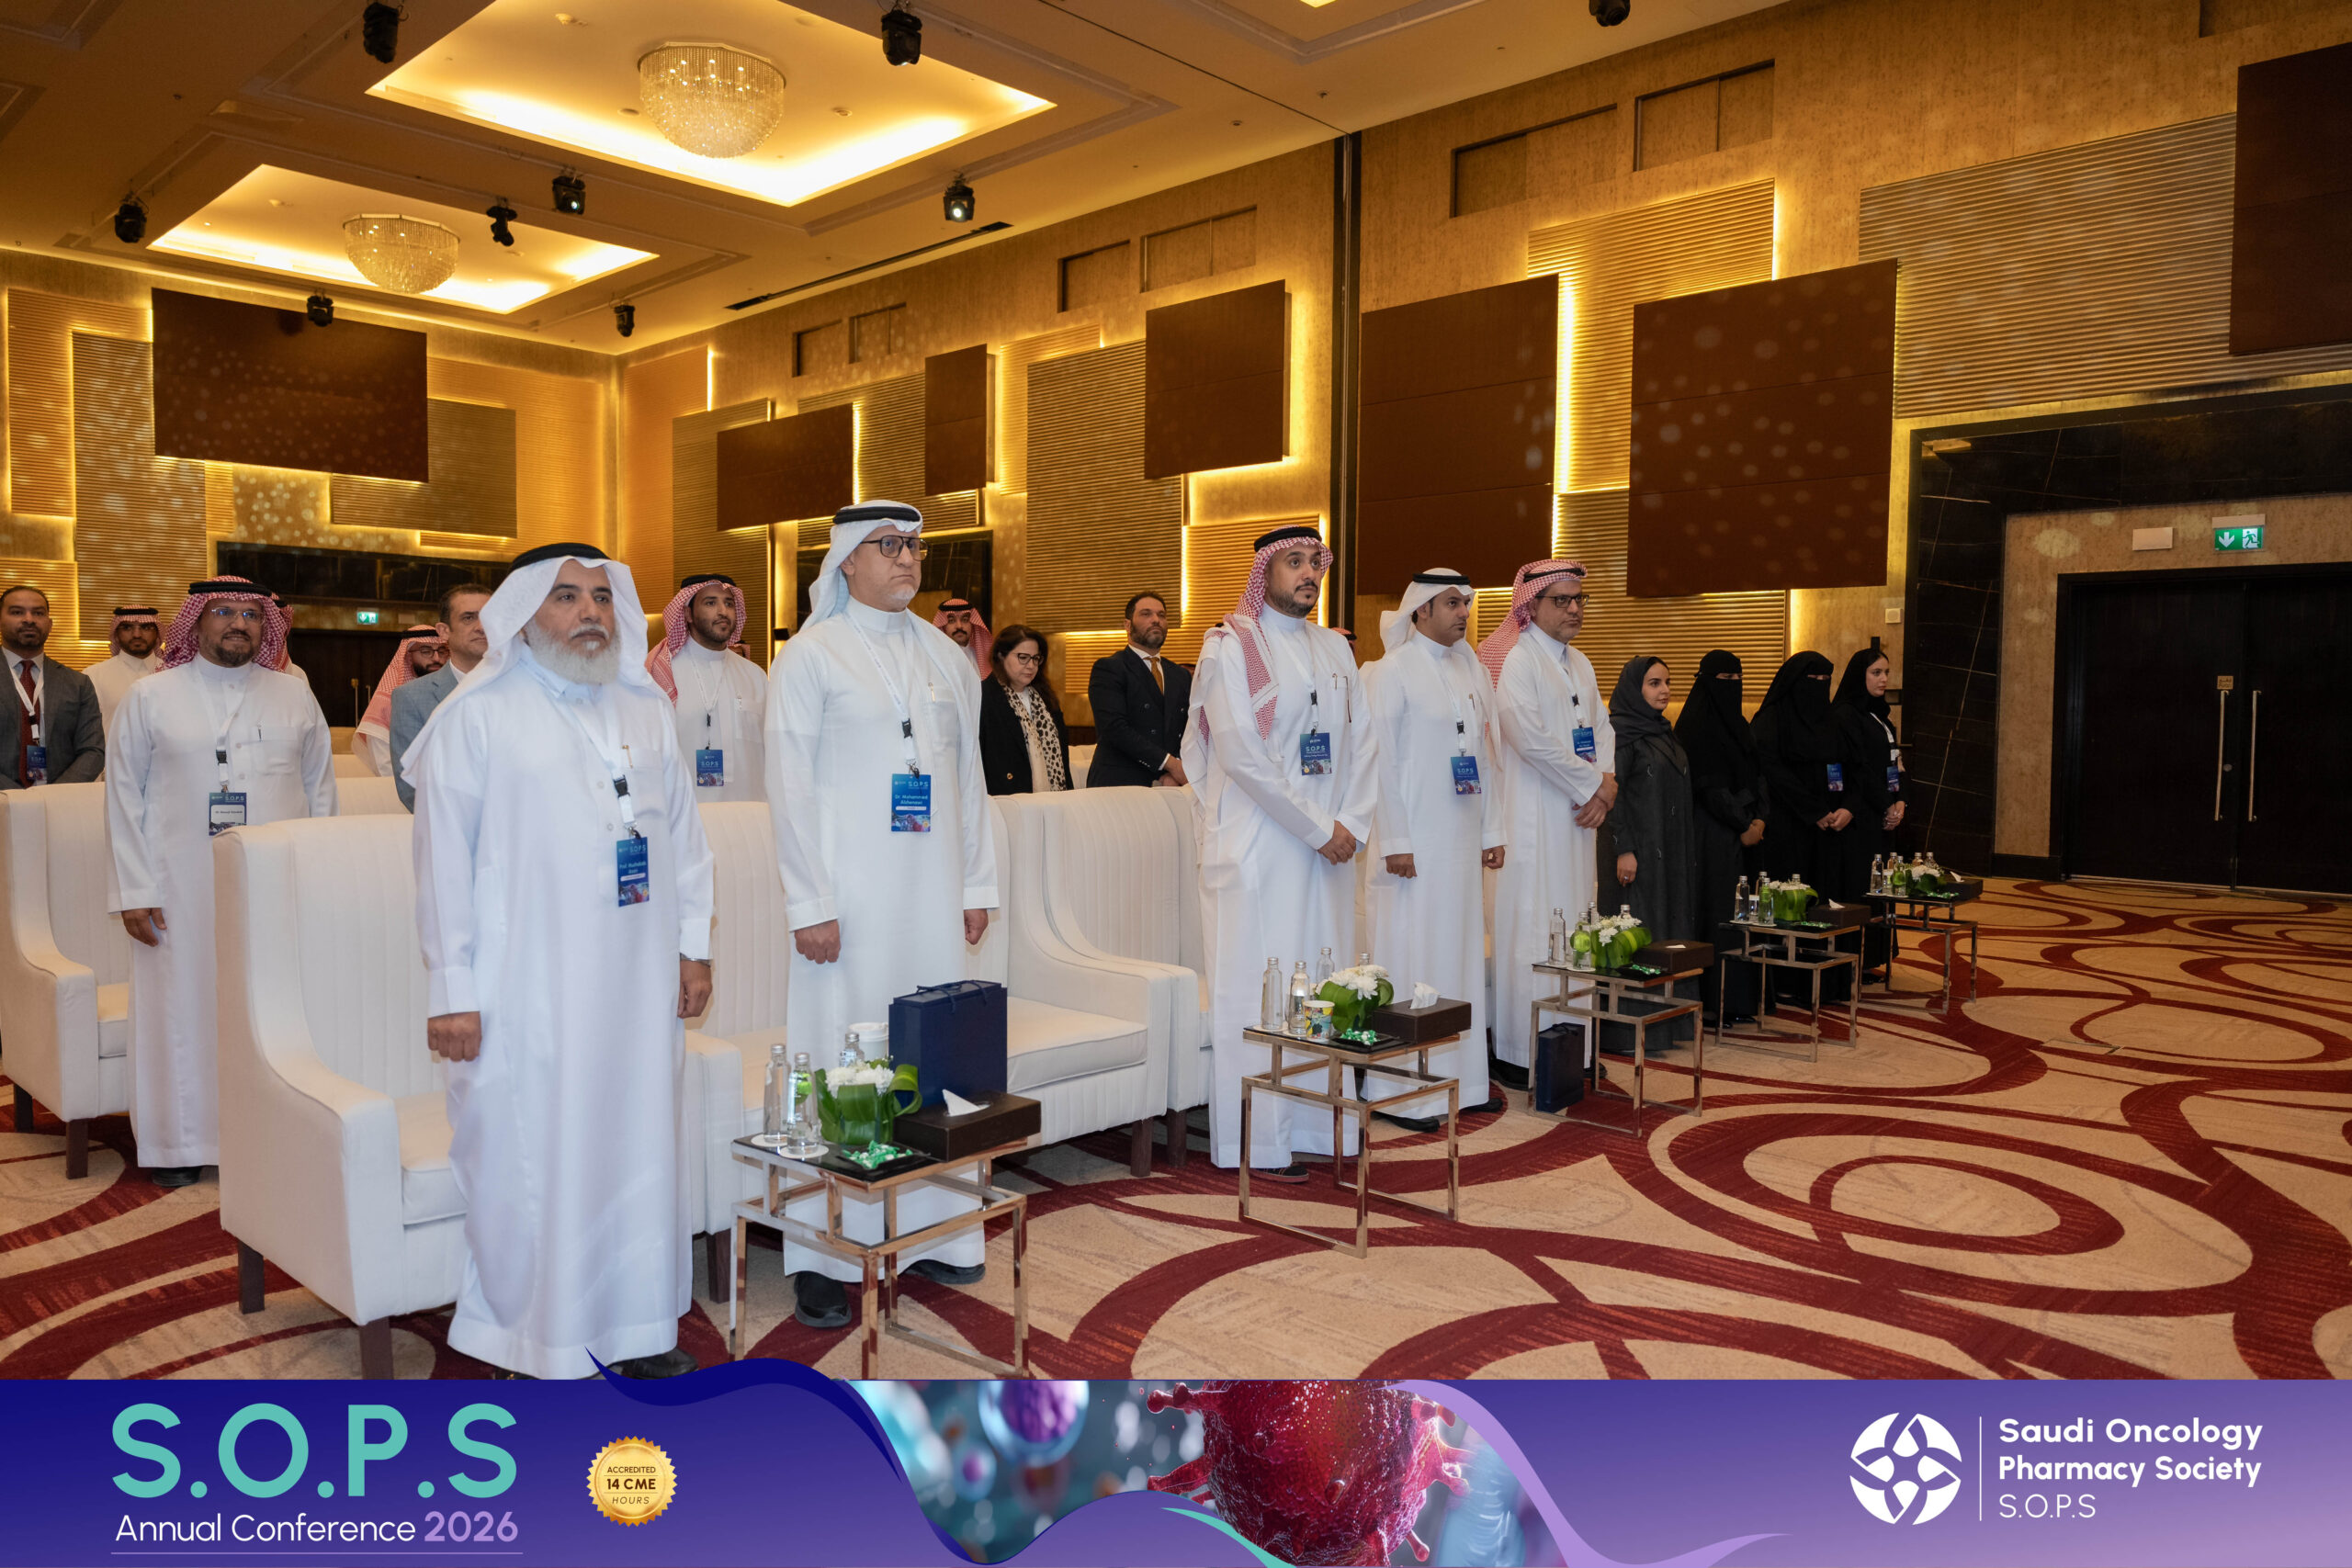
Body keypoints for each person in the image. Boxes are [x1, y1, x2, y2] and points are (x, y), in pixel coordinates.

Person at [404, 543, 713, 1381]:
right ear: (524, 612)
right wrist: (452, 990)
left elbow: (685, 840)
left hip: (639, 981)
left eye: (602, 598)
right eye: (566, 596)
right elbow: (441, 865)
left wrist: (694, 947)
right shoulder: (477, 717)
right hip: (526, 987)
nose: (590, 614)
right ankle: (530, 1338)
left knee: (640, 1150)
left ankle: (639, 1327)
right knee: (532, 1156)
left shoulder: (645, 709)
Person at [765, 501, 997, 1328]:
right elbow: (788, 787)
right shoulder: (810, 656)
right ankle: (825, 1253)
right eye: (888, 545)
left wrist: (977, 883)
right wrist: (810, 901)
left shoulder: (944, 656)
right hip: (848, 906)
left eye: (914, 546)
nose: (907, 559)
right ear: (846, 562)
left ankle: (936, 1227)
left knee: (934, 1055)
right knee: (843, 1056)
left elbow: (969, 780)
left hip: (932, 893)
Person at [105, 578, 334, 1187]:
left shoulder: (294, 694)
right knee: (179, 1007)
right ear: (196, 623)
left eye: (252, 615)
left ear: (267, 627)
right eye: (224, 612)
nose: (239, 624)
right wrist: (133, 890)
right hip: (176, 887)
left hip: (276, 885)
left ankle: (273, 1133)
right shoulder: (150, 696)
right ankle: (180, 1142)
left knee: (272, 1009)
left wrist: (319, 878)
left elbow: (320, 792)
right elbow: (123, 797)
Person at [1181, 525, 1375, 1179]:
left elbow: (1364, 742)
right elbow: (1241, 755)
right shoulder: (1230, 644)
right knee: (1261, 991)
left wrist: (1350, 823)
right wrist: (1322, 828)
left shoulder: (1335, 648)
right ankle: (1260, 1141)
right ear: (1265, 571)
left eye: (1316, 562)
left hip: (1328, 853)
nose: (1309, 574)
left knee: (1320, 986)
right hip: (1259, 848)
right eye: (1294, 562)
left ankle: (1317, 1126)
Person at [1363, 570, 1507, 1126]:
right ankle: (1403, 1092)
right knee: (1414, 958)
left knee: (1460, 958)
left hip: (1460, 845)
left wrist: (1491, 832)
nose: (1463, 613)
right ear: (1420, 610)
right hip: (1413, 849)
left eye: (1467, 603)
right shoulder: (1391, 671)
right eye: (1451, 603)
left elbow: (1485, 759)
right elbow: (1381, 761)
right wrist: (1396, 840)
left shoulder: (1470, 669)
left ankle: (1463, 1084)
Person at [1482, 559, 1614, 1089]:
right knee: (1534, 929)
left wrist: (1606, 785)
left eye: (1579, 599)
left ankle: (1574, 1049)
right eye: (1562, 600)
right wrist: (1594, 786)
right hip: (1533, 821)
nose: (1574, 609)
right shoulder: (1517, 660)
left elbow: (1602, 729)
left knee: (1578, 926)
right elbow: (1529, 739)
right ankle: (1520, 1051)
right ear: (1531, 605)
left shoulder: (1581, 663)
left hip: (1579, 821)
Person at [1750, 650, 1857, 1002]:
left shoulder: (1831, 720)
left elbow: (1849, 766)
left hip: (1829, 830)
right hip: (1788, 828)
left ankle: (1827, 979)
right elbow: (1771, 770)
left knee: (1824, 901)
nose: (1820, 687)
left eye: (1826, 681)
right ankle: (1786, 979)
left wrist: (1845, 807)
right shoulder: (1772, 719)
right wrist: (1813, 810)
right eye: (1813, 680)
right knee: (1791, 900)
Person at [1675, 650, 1770, 1023]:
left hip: (1747, 831)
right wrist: (1742, 824)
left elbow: (1759, 775)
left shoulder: (1741, 725)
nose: (1733, 686)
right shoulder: (1695, 726)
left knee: (1747, 913)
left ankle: (1743, 1000)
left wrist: (1759, 819)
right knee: (1719, 914)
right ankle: (1716, 1001)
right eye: (1725, 680)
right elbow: (1708, 787)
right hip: (1713, 835)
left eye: (1738, 679)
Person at [1600, 657, 1700, 940]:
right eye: (1654, 683)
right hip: (1637, 852)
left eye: (1667, 682)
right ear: (1634, 689)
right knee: (1639, 926)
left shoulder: (1663, 730)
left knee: (1669, 924)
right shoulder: (1619, 734)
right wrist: (1624, 850)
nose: (1665, 690)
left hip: (1667, 847)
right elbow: (1613, 795)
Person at [647, 572, 767, 804]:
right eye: (710, 603)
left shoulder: (754, 676)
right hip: (689, 815)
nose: (723, 611)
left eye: (729, 603)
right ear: (687, 613)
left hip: (750, 814)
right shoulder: (663, 674)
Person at [1833, 645, 1904, 975]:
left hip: (1883, 814)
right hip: (1861, 816)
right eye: (1876, 673)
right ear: (1859, 676)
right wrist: (1885, 803)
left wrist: (1900, 800)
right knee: (1861, 887)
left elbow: (1893, 764)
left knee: (1880, 886)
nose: (1884, 679)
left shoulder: (1880, 715)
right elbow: (1858, 768)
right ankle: (1854, 961)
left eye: (1886, 672)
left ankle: (1872, 959)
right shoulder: (1846, 714)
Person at [391, 582, 493, 811]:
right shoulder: (411, 698)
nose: (481, 627)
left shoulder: (523, 690)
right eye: (469, 618)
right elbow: (412, 788)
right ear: (444, 631)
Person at [2, 585, 105, 788]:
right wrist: (14, 797)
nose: (29, 619)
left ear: (49, 624)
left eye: (38, 613)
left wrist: (52, 796)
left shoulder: (78, 683)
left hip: (60, 801)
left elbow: (93, 750)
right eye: (17, 612)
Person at [1086, 592, 1191, 788]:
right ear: (1127, 625)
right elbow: (1114, 729)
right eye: (1146, 614)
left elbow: (1188, 728)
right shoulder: (1110, 668)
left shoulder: (1180, 674)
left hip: (1170, 785)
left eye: (1161, 615)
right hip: (1119, 783)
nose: (1156, 620)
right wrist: (1171, 765)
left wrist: (1175, 772)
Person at [978, 624, 1071, 795]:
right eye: (1023, 657)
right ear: (1001, 655)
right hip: (1004, 799)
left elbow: (1063, 761)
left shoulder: (1046, 699)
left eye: (1036, 659)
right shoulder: (983, 696)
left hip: (1054, 800)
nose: (1031, 665)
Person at [351, 626, 446, 776]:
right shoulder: (387, 702)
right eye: (426, 651)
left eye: (441, 651)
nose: (436, 658)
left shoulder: (450, 694)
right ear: (407, 656)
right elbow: (387, 769)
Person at [86, 605, 164, 734]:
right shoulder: (94, 676)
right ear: (116, 634)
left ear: (157, 634)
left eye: (146, 627)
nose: (137, 635)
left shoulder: (174, 672)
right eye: (127, 628)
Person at [932, 596, 990, 678]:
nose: (959, 626)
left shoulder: (981, 657)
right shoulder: (934, 659)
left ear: (972, 624)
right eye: (951, 621)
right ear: (943, 626)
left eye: (965, 619)